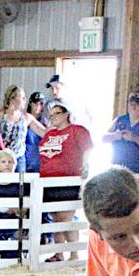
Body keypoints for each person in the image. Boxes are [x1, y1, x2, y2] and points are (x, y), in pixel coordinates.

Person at [38, 101, 93, 262]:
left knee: (66, 217)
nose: (52, 117)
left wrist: (85, 167)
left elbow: (88, 148)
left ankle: (74, 253)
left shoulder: (77, 130)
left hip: (67, 180)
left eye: (56, 113)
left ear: (66, 114)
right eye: (51, 114)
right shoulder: (50, 134)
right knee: (55, 218)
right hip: (48, 180)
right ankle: (59, 252)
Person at [103, 89, 139, 180]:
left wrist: (134, 138)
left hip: (137, 171)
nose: (134, 107)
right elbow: (103, 138)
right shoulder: (119, 120)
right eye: (131, 104)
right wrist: (115, 136)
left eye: (137, 104)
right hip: (116, 168)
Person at [0, 85, 28, 173]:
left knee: (19, 184)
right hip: (1, 157)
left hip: (19, 158)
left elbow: (44, 131)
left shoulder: (26, 118)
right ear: (13, 99)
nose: (25, 100)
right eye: (22, 97)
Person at [22, 91, 47, 173]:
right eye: (35, 103)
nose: (38, 106)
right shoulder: (24, 120)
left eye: (41, 104)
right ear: (30, 103)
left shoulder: (45, 122)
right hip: (25, 162)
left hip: (40, 163)